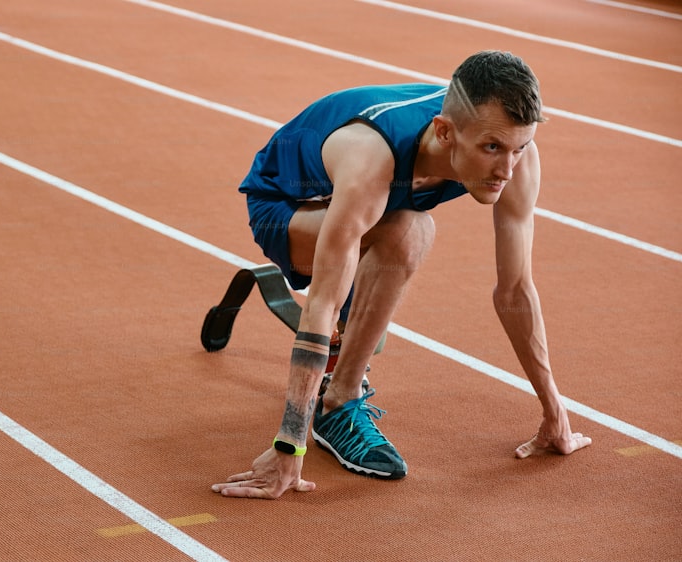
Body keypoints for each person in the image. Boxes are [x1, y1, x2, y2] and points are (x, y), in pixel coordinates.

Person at [211, 50, 592, 500]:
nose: (507, 169)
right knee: (411, 230)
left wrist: (554, 412)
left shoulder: (512, 156)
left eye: (519, 147)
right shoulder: (370, 157)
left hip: (373, 208)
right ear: (445, 133)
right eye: (492, 148)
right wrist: (287, 444)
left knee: (397, 236)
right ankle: (338, 403)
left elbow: (515, 290)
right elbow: (321, 304)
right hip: (287, 206)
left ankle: (351, 339)